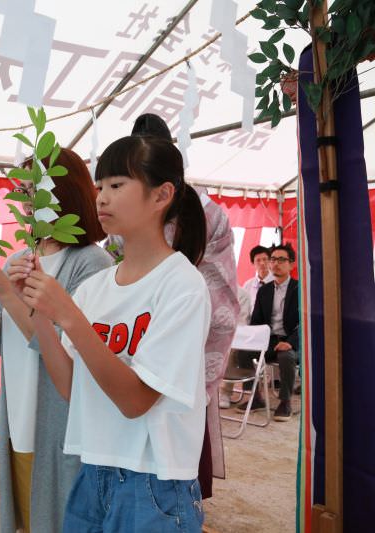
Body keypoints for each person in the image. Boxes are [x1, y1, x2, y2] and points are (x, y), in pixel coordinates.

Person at [13, 135, 210, 531]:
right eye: (99, 186)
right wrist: (39, 313)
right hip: (93, 467)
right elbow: (71, 387)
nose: (101, 197)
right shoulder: (96, 287)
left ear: (162, 195)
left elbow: (136, 400)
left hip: (154, 479)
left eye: (117, 185)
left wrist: (68, 315)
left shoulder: (182, 285)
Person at [0, 148, 111, 533]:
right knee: (29, 514)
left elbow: (62, 347)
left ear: (62, 191)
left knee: (58, 514)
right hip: (20, 409)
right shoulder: (22, 254)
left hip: (57, 416)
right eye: (22, 193)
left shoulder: (91, 262)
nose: (25, 204)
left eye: (33, 193)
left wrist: (6, 293)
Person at [119, 112, 239, 499]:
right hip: (140, 343)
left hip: (176, 341)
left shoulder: (208, 214)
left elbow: (218, 298)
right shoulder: (128, 208)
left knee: (168, 474)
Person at [236, 243, 299, 421]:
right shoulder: (264, 290)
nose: (275, 263)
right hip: (269, 339)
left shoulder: (299, 289)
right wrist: (253, 339)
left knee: (287, 356)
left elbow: (304, 323)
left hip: (291, 340)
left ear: (291, 264)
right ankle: (255, 398)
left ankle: (285, 401)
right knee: (243, 353)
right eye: (273, 259)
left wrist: (291, 342)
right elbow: (256, 321)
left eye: (281, 259)